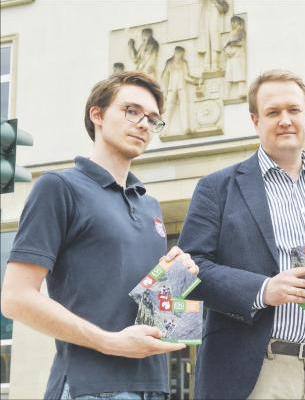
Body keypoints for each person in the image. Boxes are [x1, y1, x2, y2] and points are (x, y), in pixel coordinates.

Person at [178, 69, 305, 400]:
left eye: (293, 110)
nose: (285, 120)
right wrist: (263, 289)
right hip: (255, 372)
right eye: (273, 112)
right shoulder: (217, 188)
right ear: (256, 121)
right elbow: (190, 270)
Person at [1, 71, 199, 400]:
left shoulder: (150, 205)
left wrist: (174, 278)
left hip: (154, 387)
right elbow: (15, 298)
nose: (143, 124)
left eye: (152, 119)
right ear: (98, 115)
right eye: (131, 111)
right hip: (90, 388)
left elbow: (145, 308)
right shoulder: (58, 188)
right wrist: (110, 341)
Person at [161, 46, 200, 135]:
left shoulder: (184, 63)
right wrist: (165, 91)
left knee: (184, 107)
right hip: (171, 88)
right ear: (175, 53)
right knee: (168, 109)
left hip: (182, 87)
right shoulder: (169, 62)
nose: (180, 56)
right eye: (179, 54)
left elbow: (186, 76)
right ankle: (163, 130)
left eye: (181, 55)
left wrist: (196, 81)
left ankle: (186, 127)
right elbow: (165, 77)